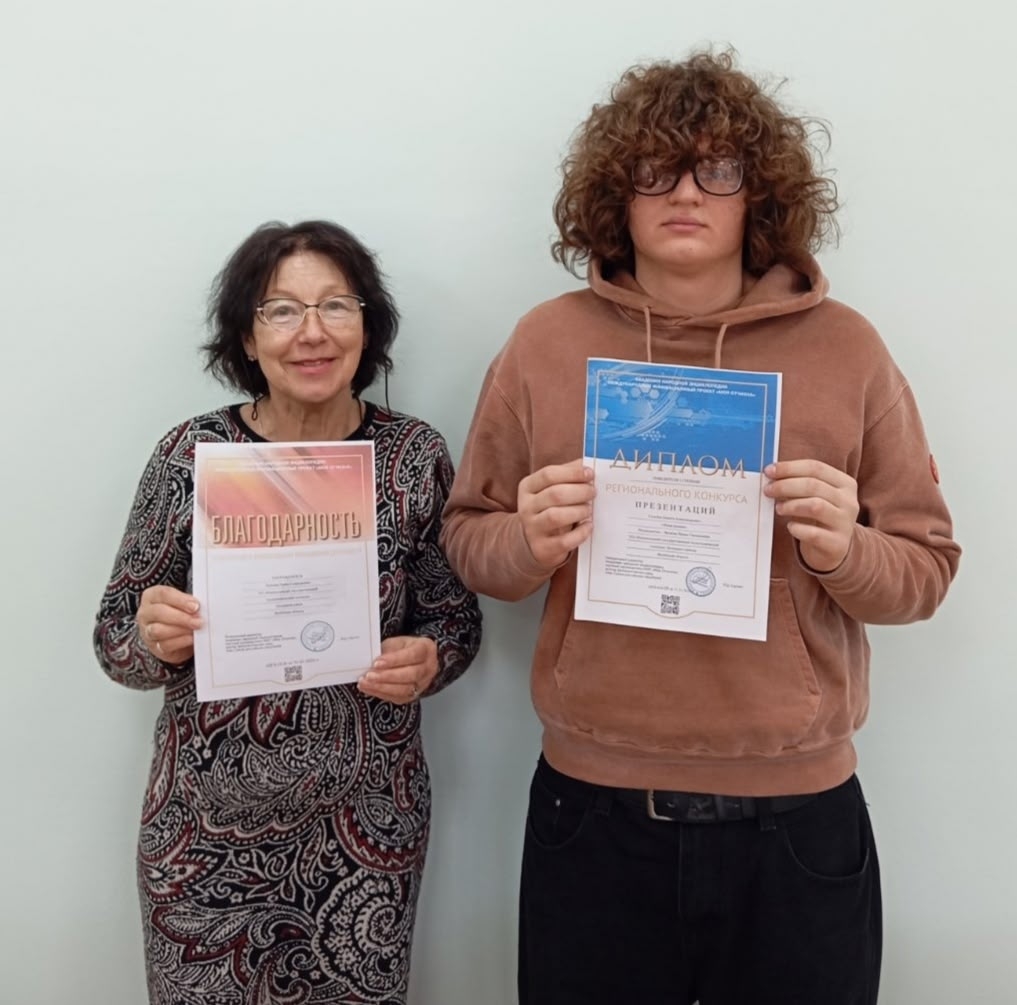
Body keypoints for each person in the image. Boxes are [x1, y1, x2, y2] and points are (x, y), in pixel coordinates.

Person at [441, 51, 960, 1005]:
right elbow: (470, 539)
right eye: (656, 169)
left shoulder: (847, 349)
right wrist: (527, 540)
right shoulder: (545, 342)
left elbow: (925, 570)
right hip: (592, 809)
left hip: (796, 818)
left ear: (759, 194)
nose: (685, 193)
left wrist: (845, 548)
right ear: (616, 191)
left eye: (717, 170)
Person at [94, 219, 482, 1005]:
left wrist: (430, 659)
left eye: (335, 305)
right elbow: (114, 639)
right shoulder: (189, 455)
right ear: (247, 335)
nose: (312, 332)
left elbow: (456, 621)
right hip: (201, 837)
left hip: (365, 832)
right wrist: (152, 637)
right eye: (281, 310)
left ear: (367, 326)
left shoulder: (413, 455)